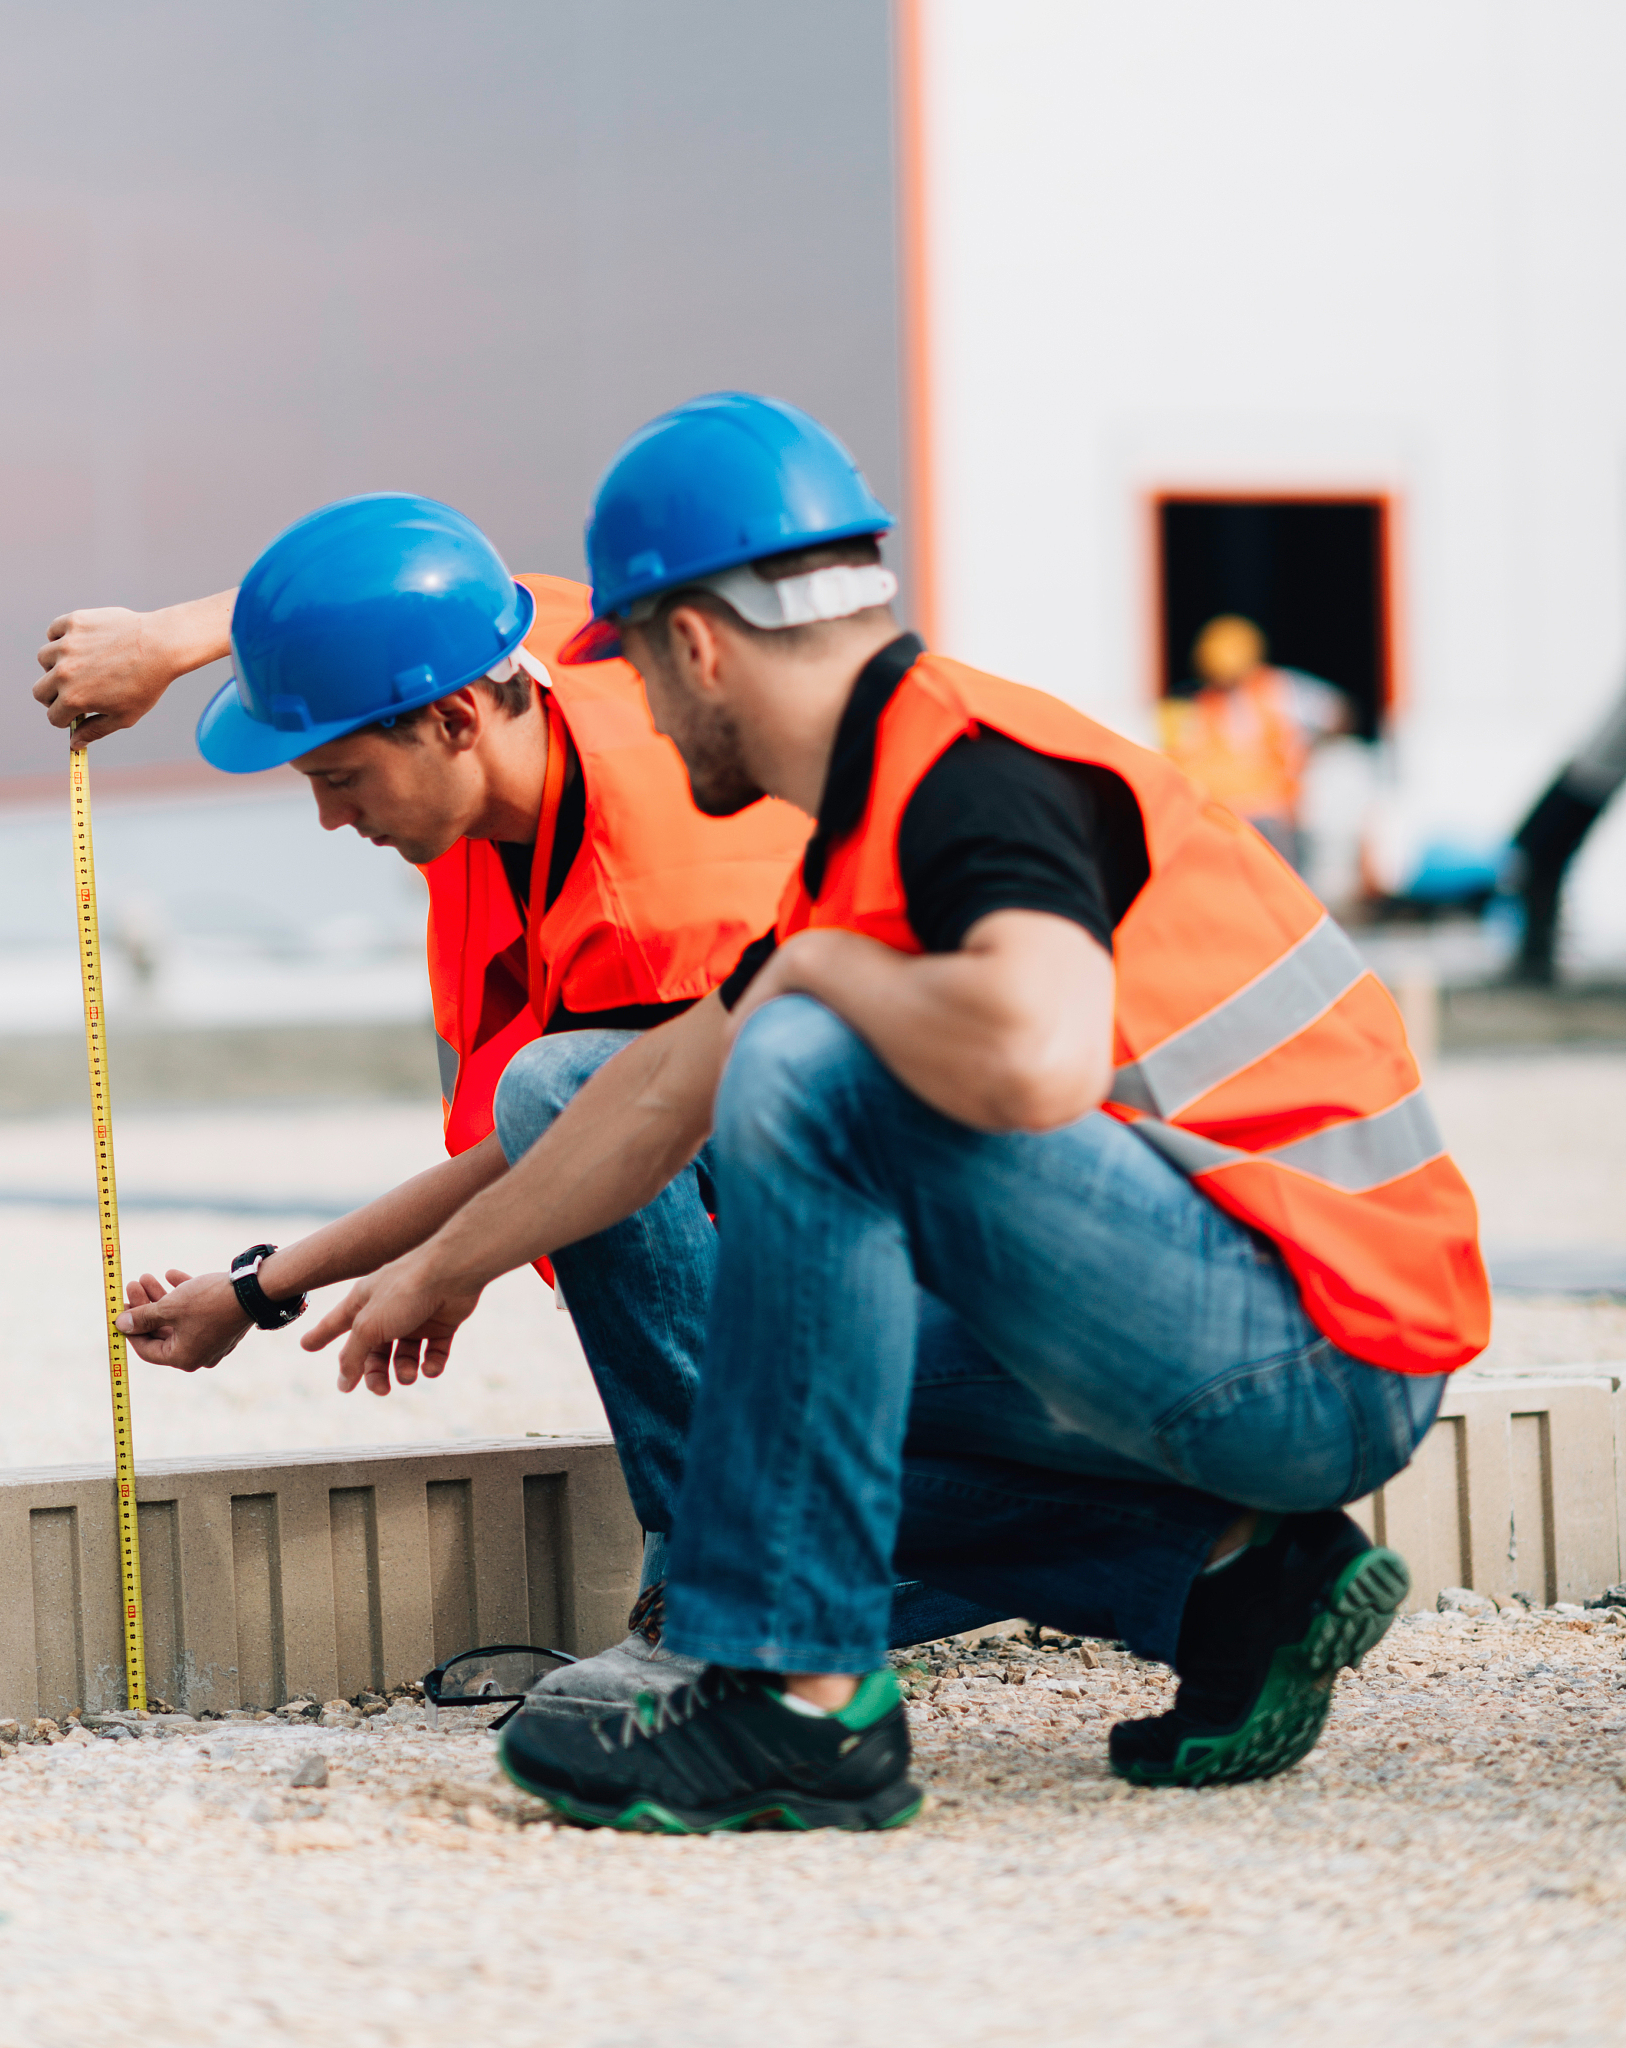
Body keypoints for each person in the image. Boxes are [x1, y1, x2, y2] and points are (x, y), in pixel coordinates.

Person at [301, 393, 1491, 1834]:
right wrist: (441, 1266)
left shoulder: (971, 777)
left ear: (694, 646)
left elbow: (1038, 1054)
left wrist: (823, 976)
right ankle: (1235, 1581)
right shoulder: (866, 827)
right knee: (745, 1409)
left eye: (644, 677)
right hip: (1235, 1320)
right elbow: (659, 1099)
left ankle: (800, 1705)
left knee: (809, 1058)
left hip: (1313, 1350)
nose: (646, 722)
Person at [34, 495, 811, 1706]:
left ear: (452, 720)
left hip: (921, 1249)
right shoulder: (530, 666)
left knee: (564, 1084)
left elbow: (561, 1143)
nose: (331, 817)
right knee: (562, 1086)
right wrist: (170, 642)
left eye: (340, 777)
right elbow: (394, 572)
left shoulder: (655, 890)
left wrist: (321, 1278)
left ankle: (740, 1591)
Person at [1158, 614, 1349, 871]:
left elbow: (1339, 714)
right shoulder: (1196, 704)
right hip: (1220, 815)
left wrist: (1307, 750)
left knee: (1278, 890)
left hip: (1271, 815)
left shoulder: (1279, 689)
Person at [1506, 675, 1626, 984]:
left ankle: (1537, 961)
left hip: (1590, 778)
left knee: (1536, 858)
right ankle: (1536, 960)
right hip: (1586, 775)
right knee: (1534, 858)